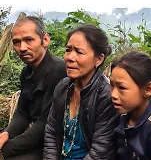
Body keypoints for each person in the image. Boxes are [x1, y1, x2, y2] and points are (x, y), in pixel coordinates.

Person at [43, 24, 119, 159]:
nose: (70, 57)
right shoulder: (63, 87)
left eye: (79, 52)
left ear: (99, 59)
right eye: (68, 50)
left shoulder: (105, 95)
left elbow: (100, 150)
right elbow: (51, 132)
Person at [0, 16, 67, 159]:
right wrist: (6, 134)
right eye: (16, 42)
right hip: (37, 139)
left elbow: (46, 123)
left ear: (45, 40)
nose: (22, 48)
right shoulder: (26, 72)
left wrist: (7, 148)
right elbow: (22, 113)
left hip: (55, 143)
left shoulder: (59, 71)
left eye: (29, 40)